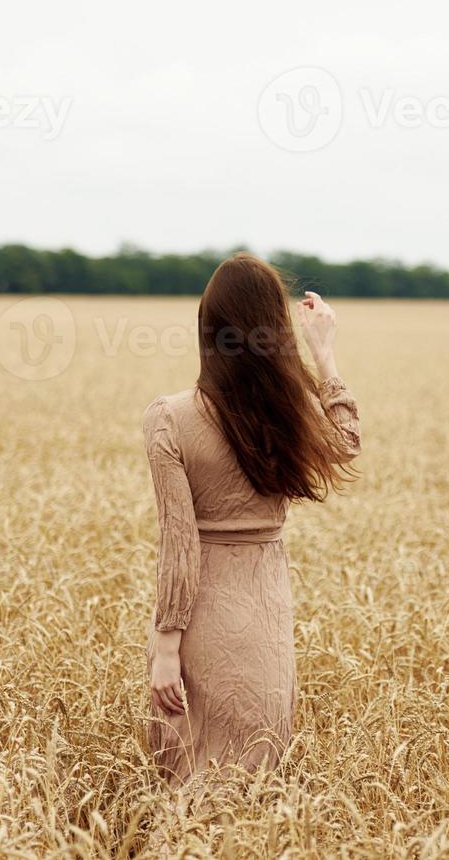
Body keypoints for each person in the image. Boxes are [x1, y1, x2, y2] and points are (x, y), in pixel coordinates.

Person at [143, 253, 361, 787]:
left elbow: (179, 544)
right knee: (259, 787)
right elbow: (349, 443)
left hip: (199, 621)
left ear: (207, 326)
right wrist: (325, 356)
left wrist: (167, 648)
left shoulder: (168, 417)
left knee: (188, 784)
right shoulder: (289, 413)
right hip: (267, 614)